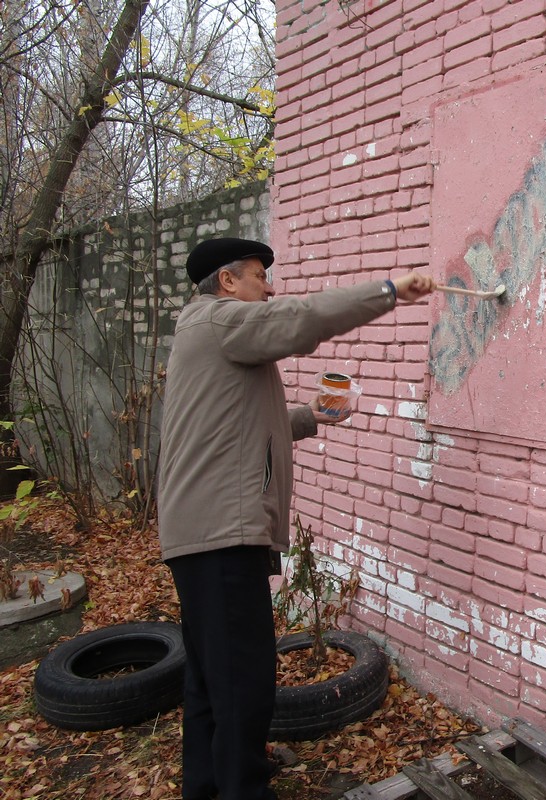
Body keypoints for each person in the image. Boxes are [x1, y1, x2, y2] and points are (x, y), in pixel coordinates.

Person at [157, 237, 435, 800]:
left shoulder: (205, 332)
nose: (270, 285)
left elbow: (241, 425)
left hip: (202, 535)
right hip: (219, 539)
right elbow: (301, 318)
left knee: (212, 682)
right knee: (243, 684)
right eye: (260, 274)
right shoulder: (222, 320)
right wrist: (388, 291)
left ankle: (208, 788)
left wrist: (312, 416)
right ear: (228, 281)